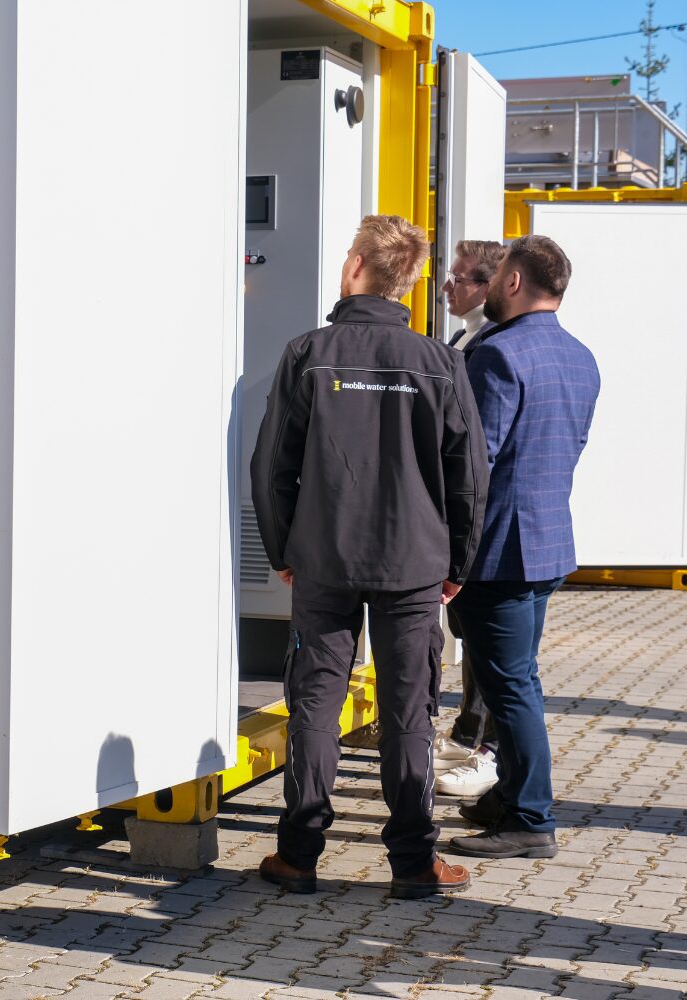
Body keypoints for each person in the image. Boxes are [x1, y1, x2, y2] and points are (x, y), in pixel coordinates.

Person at [250, 215, 489, 899]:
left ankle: (297, 855)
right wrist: (458, 564)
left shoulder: (308, 354)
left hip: (322, 558)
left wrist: (283, 547)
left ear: (356, 265)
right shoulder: (440, 361)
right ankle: (414, 864)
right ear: (407, 280)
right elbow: (470, 474)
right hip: (414, 564)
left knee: (315, 704)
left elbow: (272, 467)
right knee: (409, 710)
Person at [448, 235, 600, 860]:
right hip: (545, 543)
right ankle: (510, 798)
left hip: (499, 551)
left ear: (512, 282)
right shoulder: (580, 356)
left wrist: (451, 555)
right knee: (518, 679)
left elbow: (473, 465)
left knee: (511, 687)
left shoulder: (500, 354)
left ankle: (531, 819)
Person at [435, 239, 509, 800]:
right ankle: (468, 730)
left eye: (460, 278)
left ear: (489, 285)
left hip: (483, 517)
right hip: (462, 515)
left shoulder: (491, 345)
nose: (448, 286)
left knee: (486, 640)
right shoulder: (466, 336)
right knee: (467, 630)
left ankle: (486, 748)